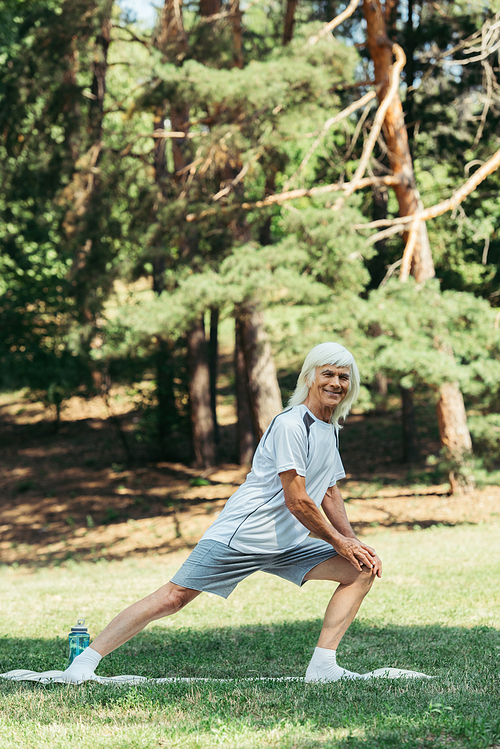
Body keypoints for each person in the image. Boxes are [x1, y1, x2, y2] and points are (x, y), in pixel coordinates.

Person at [63, 341, 382, 684]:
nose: (336, 383)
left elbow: (330, 491)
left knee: (359, 569)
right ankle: (83, 663)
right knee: (173, 598)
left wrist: (351, 542)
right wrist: (338, 541)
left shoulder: (328, 428)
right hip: (244, 534)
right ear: (310, 377)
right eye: (328, 374)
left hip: (286, 541)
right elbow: (298, 500)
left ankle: (323, 668)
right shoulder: (292, 424)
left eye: (344, 377)